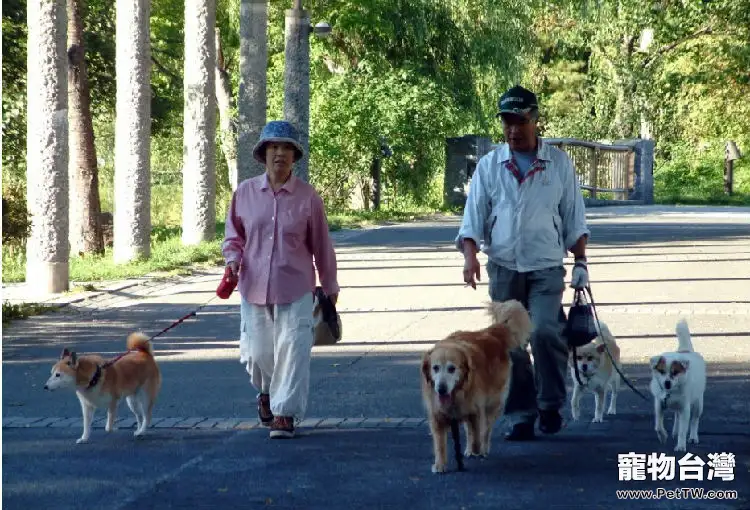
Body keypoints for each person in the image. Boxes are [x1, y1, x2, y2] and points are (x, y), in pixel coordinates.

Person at [455, 85, 591, 441]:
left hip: (546, 265)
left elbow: (574, 216)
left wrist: (581, 262)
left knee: (545, 330)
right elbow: (474, 215)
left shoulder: (558, 164)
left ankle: (549, 405)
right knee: (509, 343)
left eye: (520, 121)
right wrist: (470, 256)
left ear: (535, 119)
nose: (513, 129)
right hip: (503, 265)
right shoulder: (490, 165)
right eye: (507, 122)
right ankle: (521, 415)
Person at [222, 120, 339, 439]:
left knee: (293, 349)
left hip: (296, 288)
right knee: (258, 353)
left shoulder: (308, 197)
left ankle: (284, 413)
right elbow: (233, 237)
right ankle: (265, 392)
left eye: (286, 148)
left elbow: (322, 246)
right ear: (263, 153)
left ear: (294, 156)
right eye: (274, 147)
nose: (280, 154)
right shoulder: (245, 193)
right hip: (253, 285)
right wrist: (232, 260)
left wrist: (329, 287)